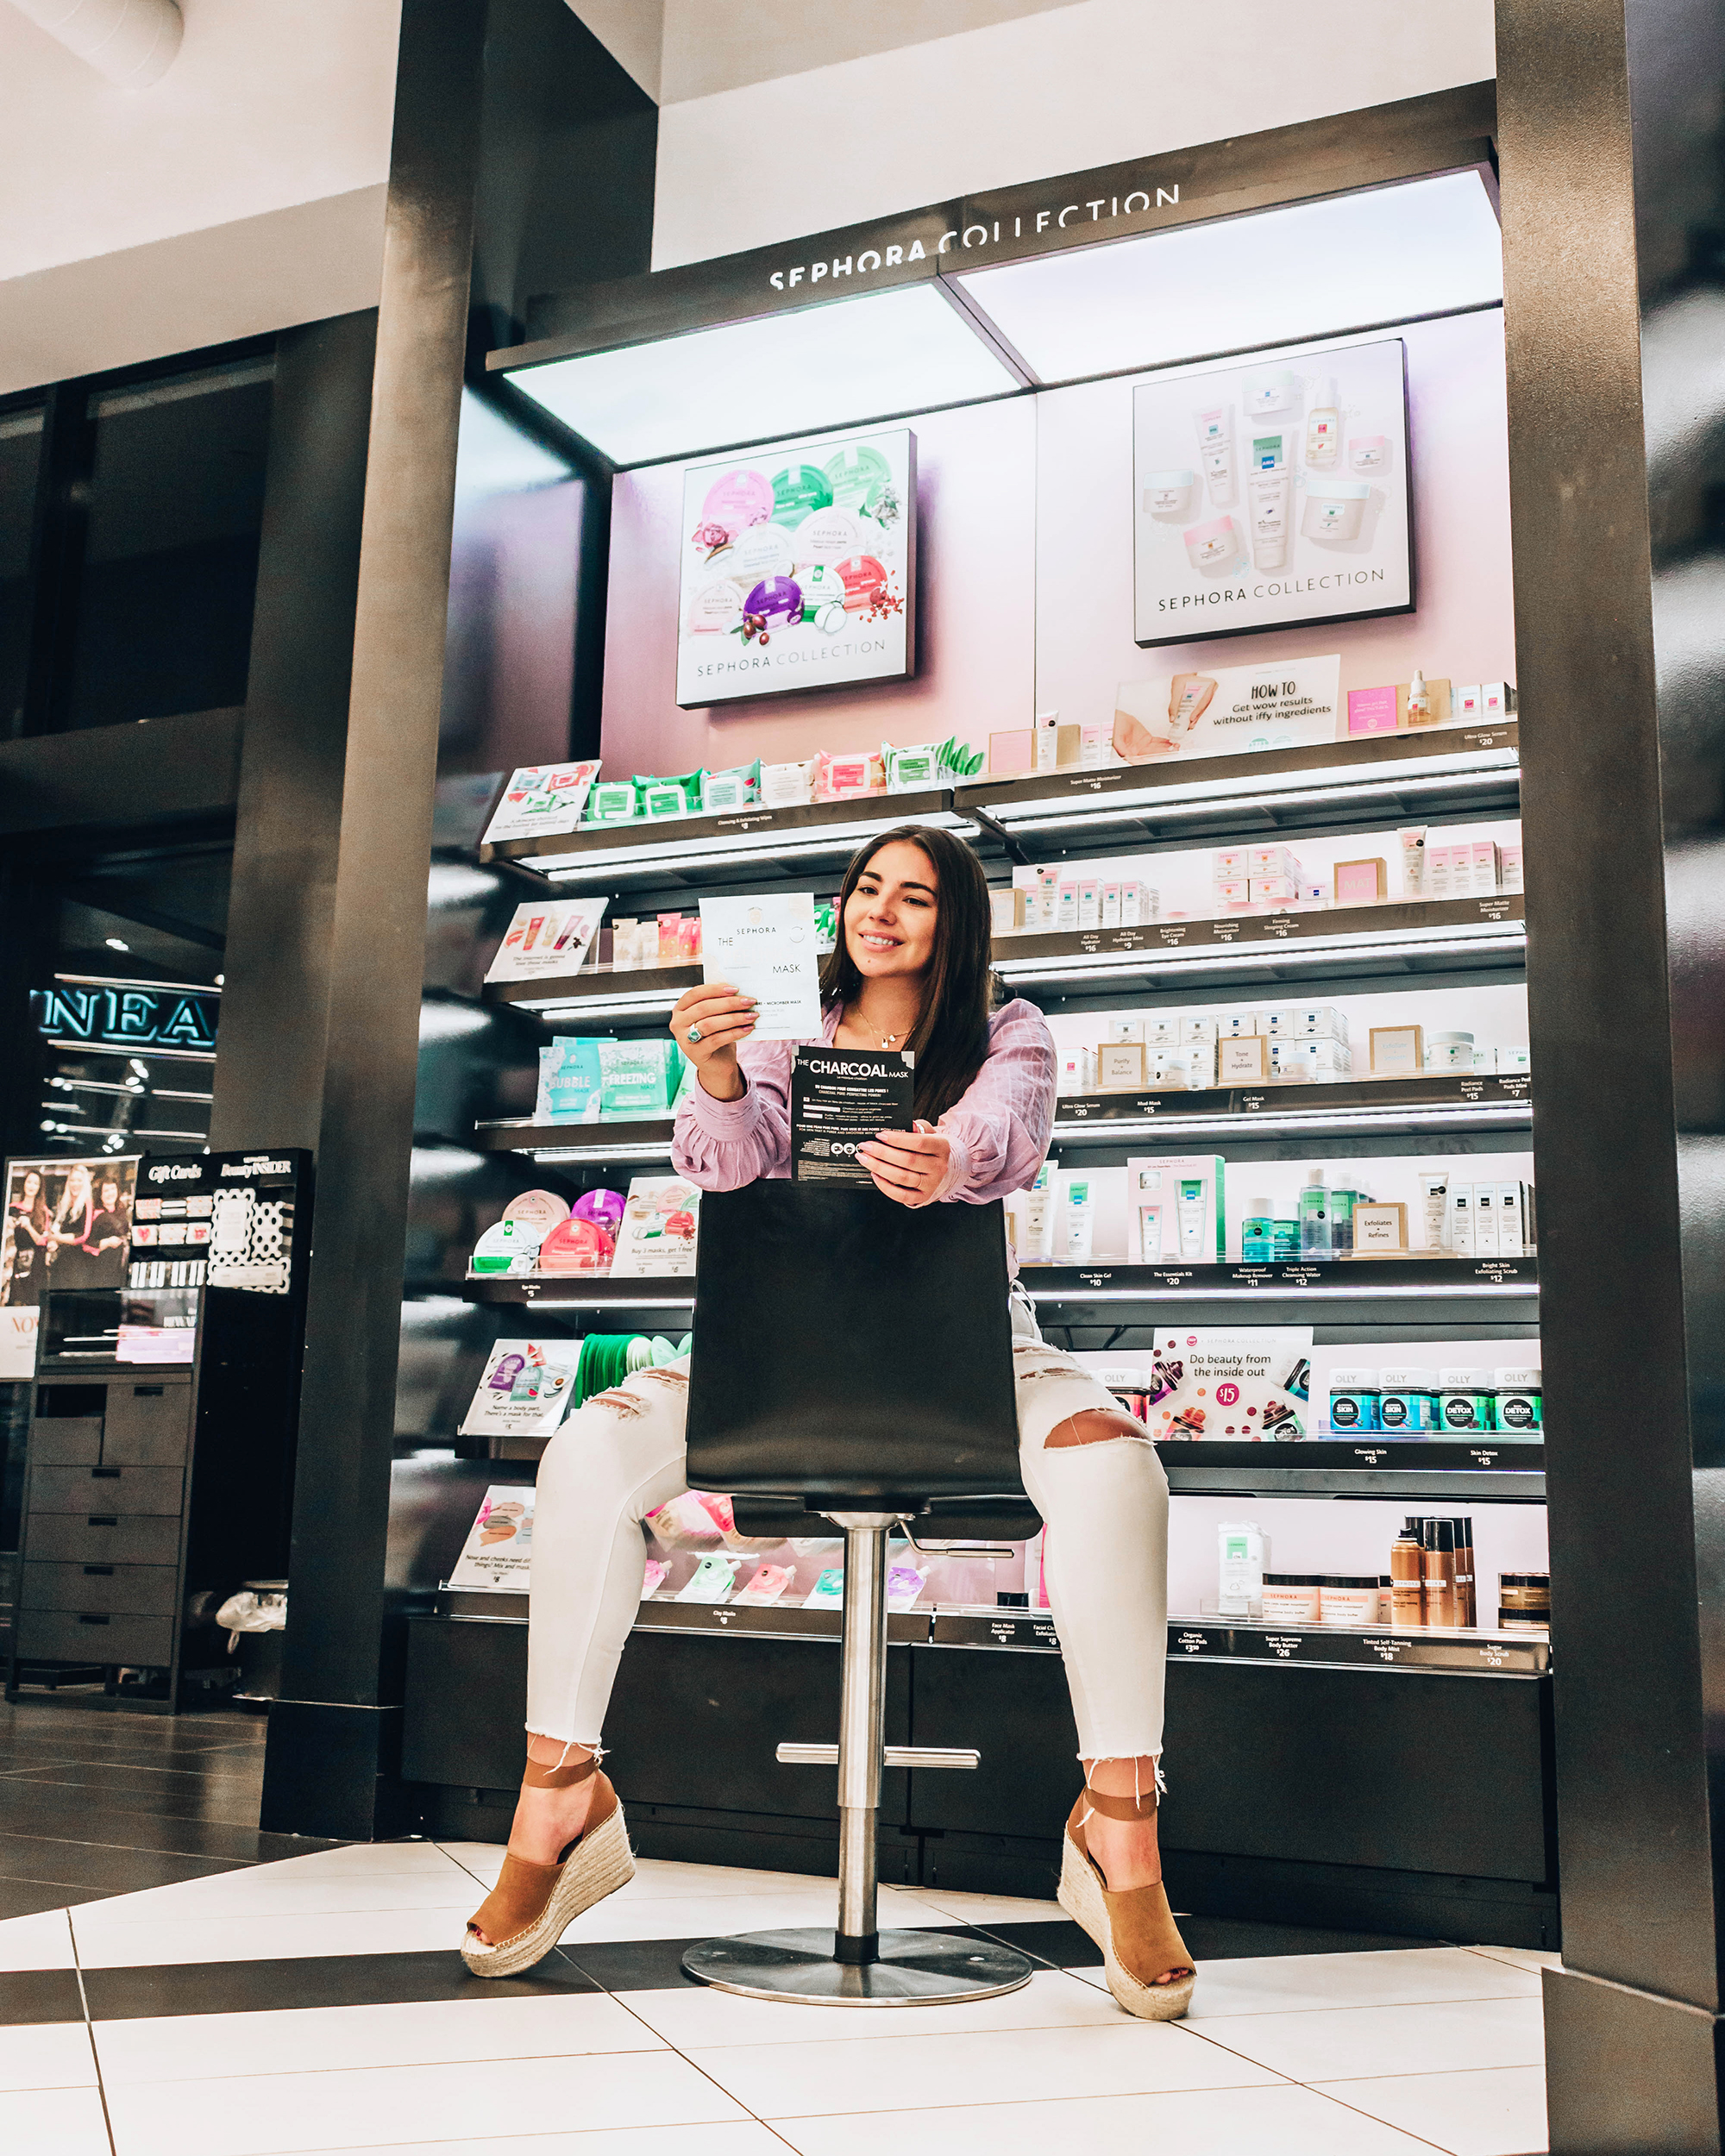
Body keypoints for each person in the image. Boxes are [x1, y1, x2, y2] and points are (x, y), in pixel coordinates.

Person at [461, 825, 1193, 2020]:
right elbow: (727, 1160)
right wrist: (712, 1075)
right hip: (776, 1349)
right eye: (867, 889)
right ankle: (559, 1791)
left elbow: (1008, 1130)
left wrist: (943, 1152)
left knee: (1119, 1469)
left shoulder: (1009, 1030)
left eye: (917, 897)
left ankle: (1121, 1825)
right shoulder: (778, 1028)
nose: (884, 912)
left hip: (968, 1352)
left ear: (958, 924)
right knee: (589, 1447)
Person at [3, 1169, 53, 1307]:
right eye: (29, 1182)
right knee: (15, 1301)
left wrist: (29, 1227)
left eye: (35, 1183)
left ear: (39, 1188)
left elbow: (43, 1241)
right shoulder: (12, 1208)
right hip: (16, 1263)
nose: (31, 1186)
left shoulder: (43, 1212)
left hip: (37, 1264)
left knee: (34, 1303)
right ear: (24, 1184)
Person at [47, 1163, 101, 1289]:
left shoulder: (87, 1203)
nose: (75, 1184)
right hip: (62, 1262)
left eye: (79, 1180)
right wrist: (55, 1242)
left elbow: (83, 1235)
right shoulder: (66, 1204)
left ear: (85, 1183)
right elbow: (61, 1230)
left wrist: (57, 1238)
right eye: (72, 1180)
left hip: (78, 1265)